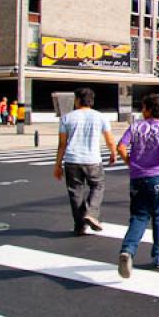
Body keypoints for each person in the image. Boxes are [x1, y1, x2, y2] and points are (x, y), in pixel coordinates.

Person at [117, 94, 159, 278]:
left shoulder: (135, 126)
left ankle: (128, 251)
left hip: (137, 178)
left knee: (138, 216)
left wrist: (130, 162)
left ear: (148, 109)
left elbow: (121, 147)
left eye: (143, 107)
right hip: (158, 177)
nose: (141, 110)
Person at [54, 88, 116, 236]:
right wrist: (113, 152)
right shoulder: (101, 117)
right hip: (93, 160)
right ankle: (91, 212)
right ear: (91, 101)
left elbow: (62, 143)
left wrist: (57, 164)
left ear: (77, 100)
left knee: (75, 192)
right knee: (98, 186)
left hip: (72, 160)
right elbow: (109, 139)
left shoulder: (66, 118)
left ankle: (79, 226)